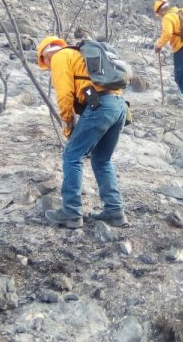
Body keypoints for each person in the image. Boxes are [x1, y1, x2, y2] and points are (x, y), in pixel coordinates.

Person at [36, 36, 128, 229]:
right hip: (119, 105)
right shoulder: (79, 55)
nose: (48, 68)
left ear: (45, 55)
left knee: (72, 156)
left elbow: (64, 93)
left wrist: (67, 122)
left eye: (45, 63)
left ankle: (71, 213)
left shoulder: (60, 57)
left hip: (101, 106)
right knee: (102, 160)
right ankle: (115, 211)